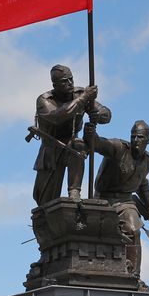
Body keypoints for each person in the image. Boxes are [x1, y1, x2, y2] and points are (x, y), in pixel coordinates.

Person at [84, 119, 149, 278]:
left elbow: (142, 184)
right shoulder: (119, 148)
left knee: (134, 230)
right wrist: (91, 134)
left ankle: (134, 276)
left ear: (148, 140)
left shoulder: (147, 160)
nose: (136, 140)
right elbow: (99, 144)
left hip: (125, 201)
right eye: (133, 136)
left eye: (140, 138)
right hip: (103, 200)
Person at [32, 64, 110, 204]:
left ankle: (74, 191)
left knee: (78, 146)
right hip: (50, 150)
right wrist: (84, 99)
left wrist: (98, 114)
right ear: (54, 84)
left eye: (71, 79)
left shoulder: (80, 94)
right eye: (64, 81)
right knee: (44, 201)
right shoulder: (44, 100)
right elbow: (58, 116)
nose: (69, 83)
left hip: (70, 145)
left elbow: (106, 113)